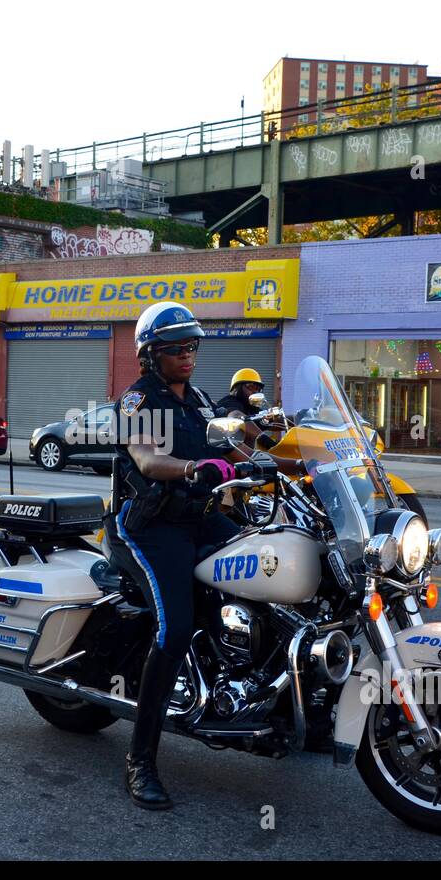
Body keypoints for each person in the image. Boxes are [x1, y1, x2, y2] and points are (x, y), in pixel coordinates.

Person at [107, 301, 254, 810]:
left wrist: (292, 460)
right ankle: (140, 760)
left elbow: (236, 449)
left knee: (268, 563)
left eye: (193, 346)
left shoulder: (199, 399)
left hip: (200, 517)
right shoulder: (135, 401)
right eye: (176, 348)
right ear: (152, 354)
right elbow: (148, 459)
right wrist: (195, 468)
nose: (188, 355)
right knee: (174, 629)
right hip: (150, 526)